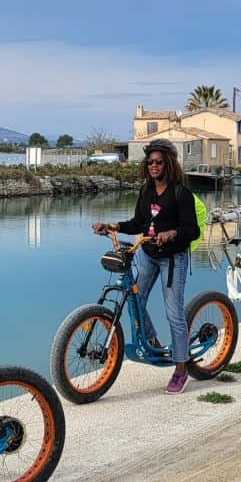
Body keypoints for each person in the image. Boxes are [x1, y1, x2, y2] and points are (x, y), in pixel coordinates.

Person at [91, 138, 201, 394]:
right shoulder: (146, 190)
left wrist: (172, 233)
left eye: (158, 161)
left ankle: (180, 369)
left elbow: (192, 230)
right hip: (148, 254)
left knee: (174, 314)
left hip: (172, 259)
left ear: (169, 164)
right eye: (149, 161)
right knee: (134, 301)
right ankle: (152, 341)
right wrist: (113, 226)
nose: (153, 165)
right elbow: (139, 223)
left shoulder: (180, 193)